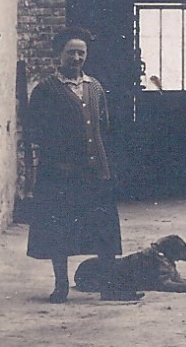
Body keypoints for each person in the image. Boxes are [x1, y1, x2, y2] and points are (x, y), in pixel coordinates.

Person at [24, 27, 139, 303]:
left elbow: (104, 126)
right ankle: (61, 285)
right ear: (59, 55)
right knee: (59, 229)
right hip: (60, 173)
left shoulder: (95, 87)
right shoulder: (46, 90)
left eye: (81, 53)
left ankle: (109, 286)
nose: (76, 58)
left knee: (104, 229)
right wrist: (59, 155)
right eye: (70, 52)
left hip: (94, 171)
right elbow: (35, 131)